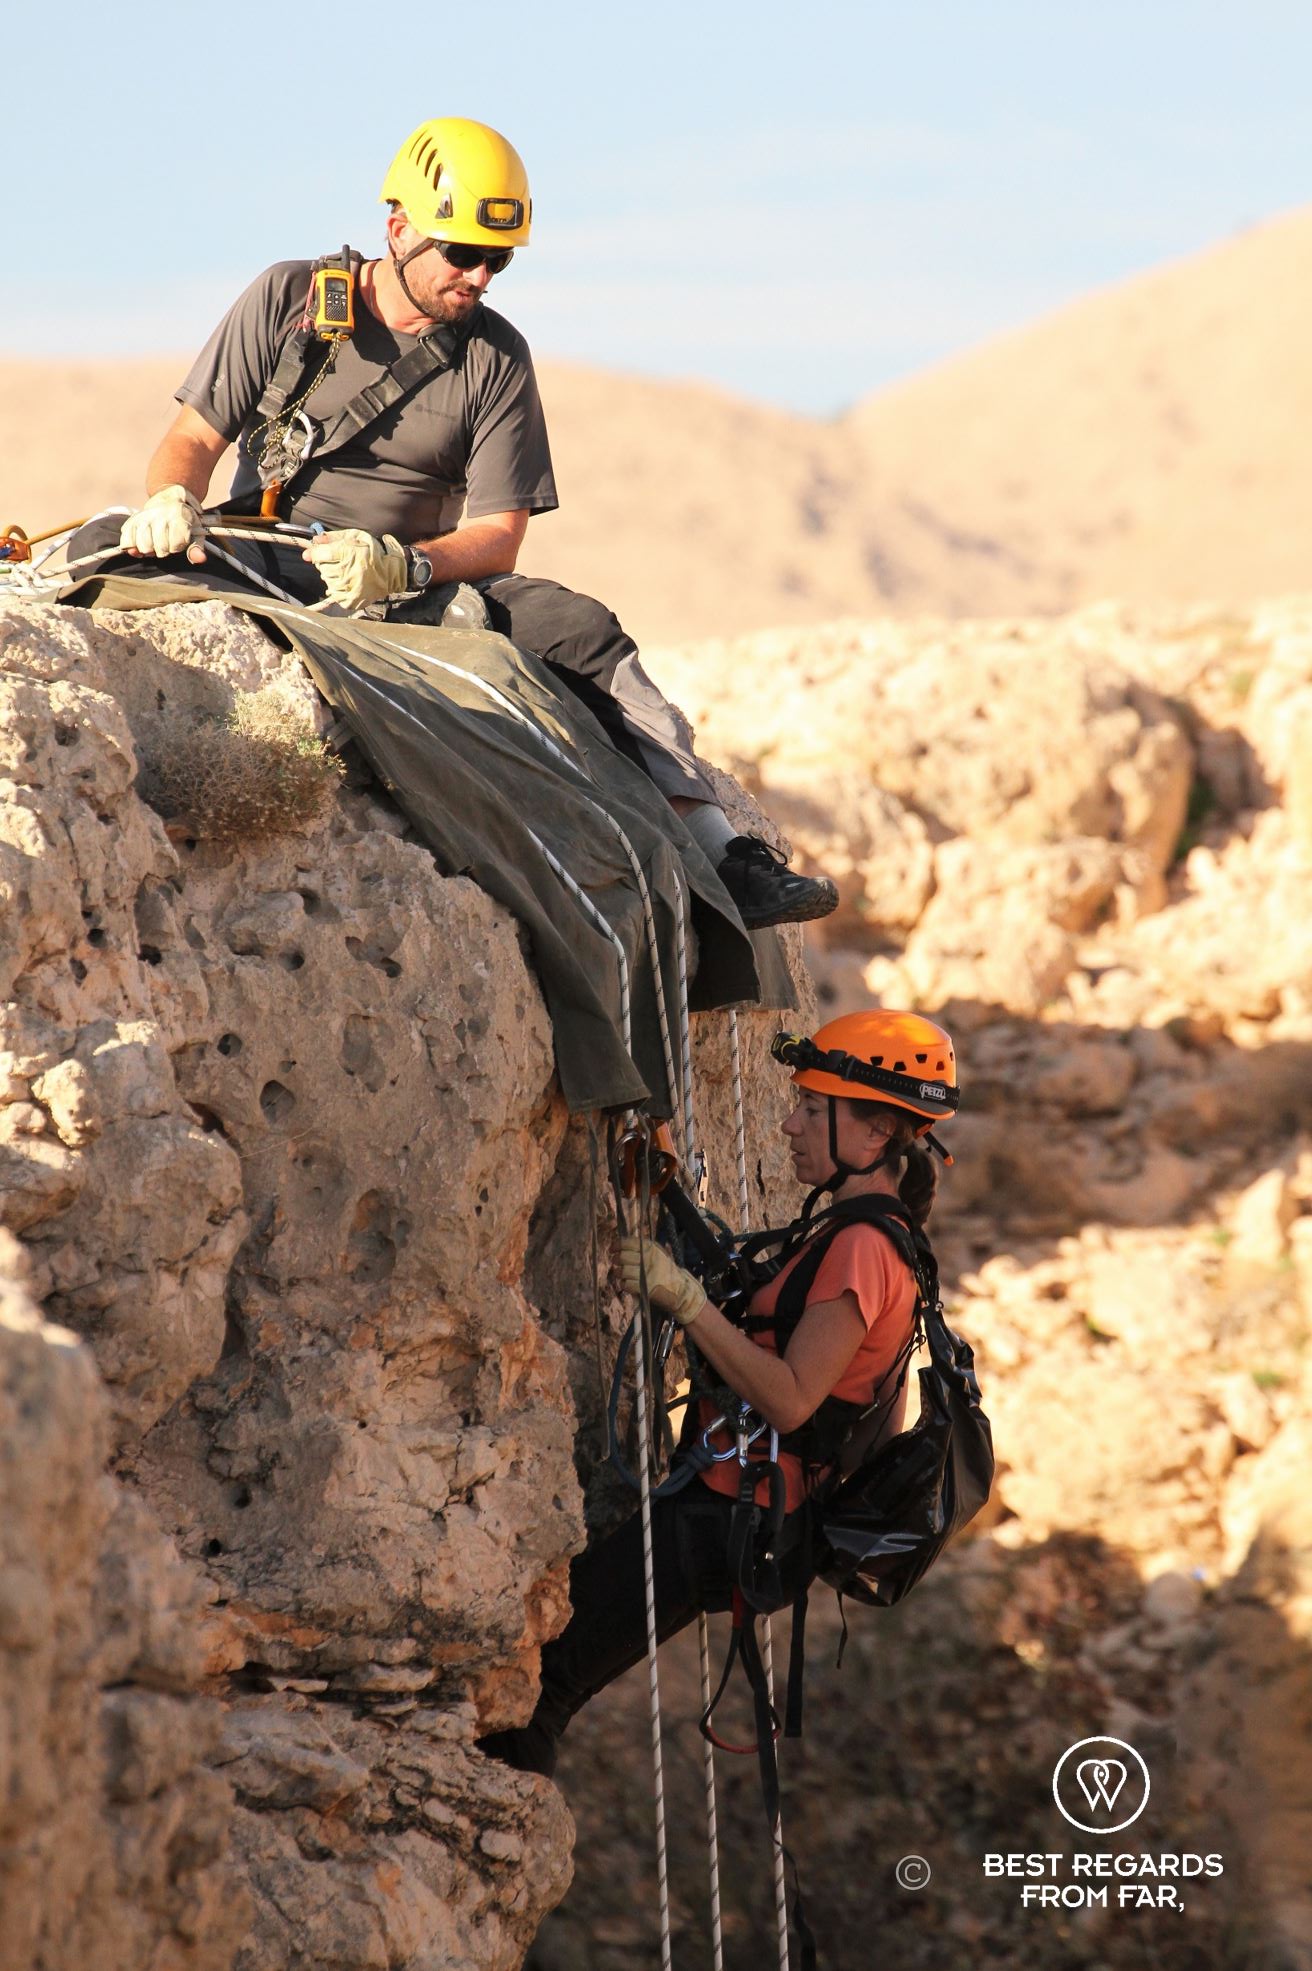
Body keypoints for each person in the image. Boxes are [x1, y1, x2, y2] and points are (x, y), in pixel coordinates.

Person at [101, 117, 838, 932]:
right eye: (462, 253)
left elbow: (499, 532)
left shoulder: (495, 359)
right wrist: (173, 499)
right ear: (399, 228)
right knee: (105, 551)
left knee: (583, 631)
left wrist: (405, 566)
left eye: (500, 260)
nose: (480, 276)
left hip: (405, 586)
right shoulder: (290, 300)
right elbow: (192, 443)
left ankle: (726, 852)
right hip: (262, 559)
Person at [478, 1008, 959, 1777]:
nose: (789, 1123)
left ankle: (493, 1823)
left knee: (547, 1678)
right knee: (554, 1671)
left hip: (730, 1516)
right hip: (731, 1510)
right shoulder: (856, 1233)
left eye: (812, 1107)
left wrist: (685, 1303)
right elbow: (762, 1310)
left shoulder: (866, 1249)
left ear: (872, 1137)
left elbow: (794, 1397)